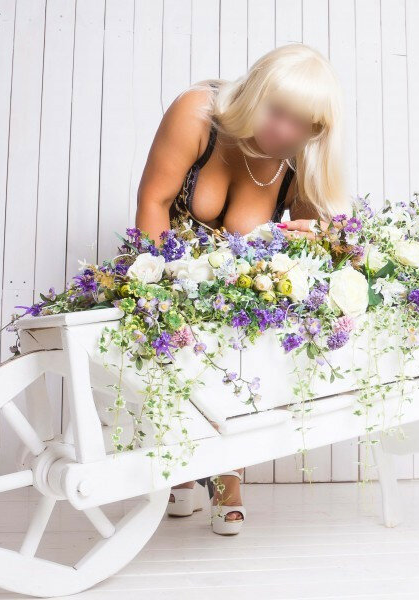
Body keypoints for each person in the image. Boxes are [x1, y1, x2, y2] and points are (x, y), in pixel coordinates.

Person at [134, 43, 351, 535]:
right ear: (255, 91)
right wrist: (160, 290)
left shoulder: (298, 160)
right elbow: (153, 201)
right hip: (165, 271)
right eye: (277, 112)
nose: (285, 131)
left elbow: (313, 244)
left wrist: (314, 235)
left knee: (251, 337)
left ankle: (226, 470)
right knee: (184, 343)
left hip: (232, 292)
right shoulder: (198, 114)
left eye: (303, 124)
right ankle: (183, 464)